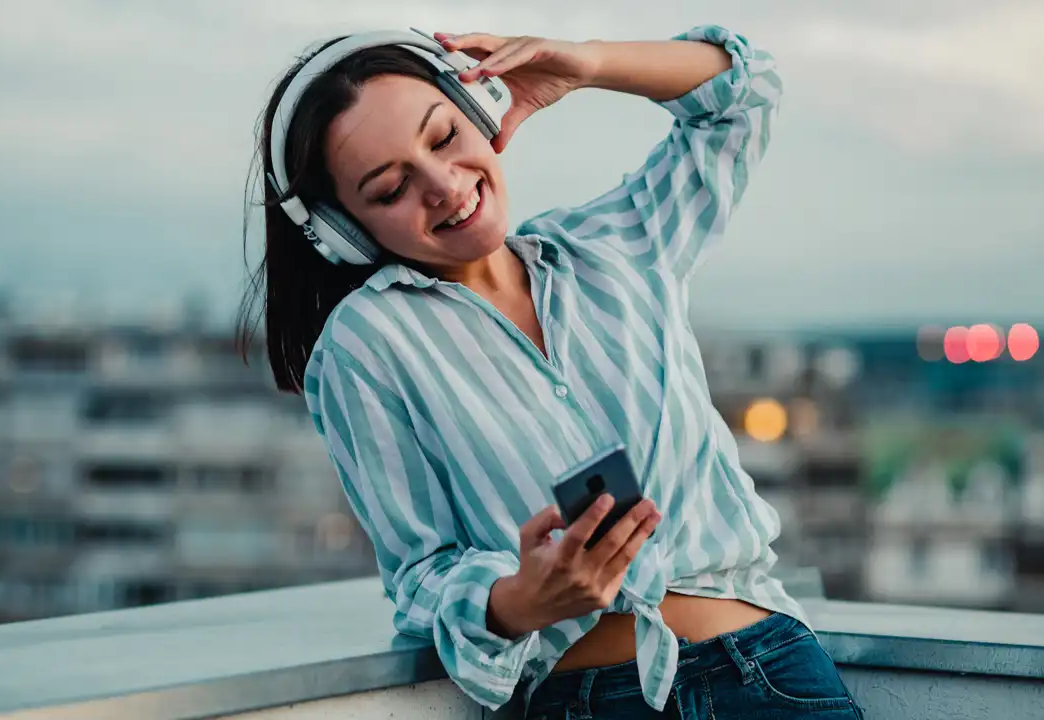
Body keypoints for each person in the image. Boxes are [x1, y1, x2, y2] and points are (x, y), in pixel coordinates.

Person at [236, 22, 863, 720]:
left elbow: (742, 94)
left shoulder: (617, 247)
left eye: (444, 137)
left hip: (769, 674)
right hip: (587, 702)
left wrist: (587, 64)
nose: (443, 186)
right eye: (390, 189)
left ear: (478, 111)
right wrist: (515, 602)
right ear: (345, 232)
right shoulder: (366, 347)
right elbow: (420, 575)